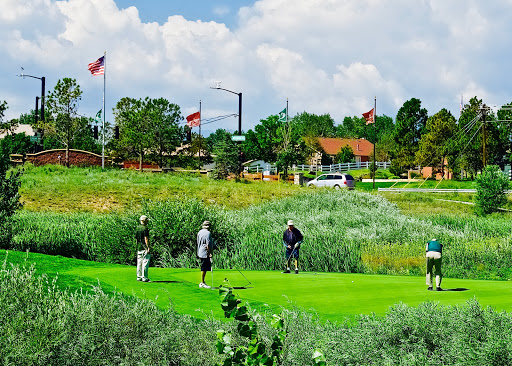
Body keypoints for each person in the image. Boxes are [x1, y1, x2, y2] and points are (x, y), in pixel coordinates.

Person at [197, 220, 214, 289]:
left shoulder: (199, 232)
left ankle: (202, 282)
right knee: (204, 268)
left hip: (200, 251)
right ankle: (202, 282)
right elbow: (208, 244)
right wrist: (210, 252)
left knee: (203, 267)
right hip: (205, 252)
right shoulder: (208, 233)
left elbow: (198, 242)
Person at [136, 215, 151, 282]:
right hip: (144, 247)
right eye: (147, 220)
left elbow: (136, 239)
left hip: (139, 247)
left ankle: (139, 277)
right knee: (145, 262)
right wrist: (148, 247)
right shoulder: (145, 228)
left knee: (139, 263)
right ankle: (144, 277)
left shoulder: (137, 228)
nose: (147, 221)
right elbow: (146, 239)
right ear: (144, 220)